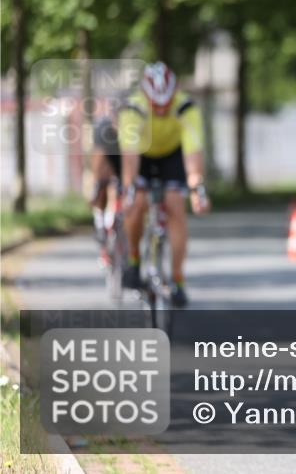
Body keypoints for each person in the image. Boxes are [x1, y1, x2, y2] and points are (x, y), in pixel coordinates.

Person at [118, 62, 210, 307]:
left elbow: (193, 154)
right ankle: (134, 261)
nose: (160, 110)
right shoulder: (133, 108)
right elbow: (130, 156)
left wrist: (197, 190)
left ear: (175, 94)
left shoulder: (185, 107)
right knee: (136, 203)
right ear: (145, 95)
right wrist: (129, 189)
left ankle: (178, 279)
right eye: (155, 104)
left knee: (175, 205)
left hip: (172, 155)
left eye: (165, 104)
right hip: (142, 156)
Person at [89, 114, 122, 267]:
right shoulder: (103, 131)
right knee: (101, 188)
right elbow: (98, 165)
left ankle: (115, 224)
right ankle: (101, 226)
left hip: (125, 154)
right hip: (105, 153)